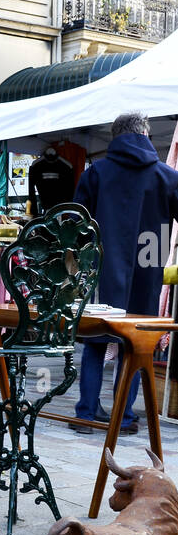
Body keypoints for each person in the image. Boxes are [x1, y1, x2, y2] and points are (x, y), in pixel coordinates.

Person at [70, 112, 178, 435]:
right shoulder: (166, 176)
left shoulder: (97, 173)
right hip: (149, 264)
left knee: (95, 340)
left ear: (115, 136)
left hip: (101, 267)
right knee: (133, 345)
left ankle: (86, 415)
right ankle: (123, 417)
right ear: (145, 134)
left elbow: (76, 223)